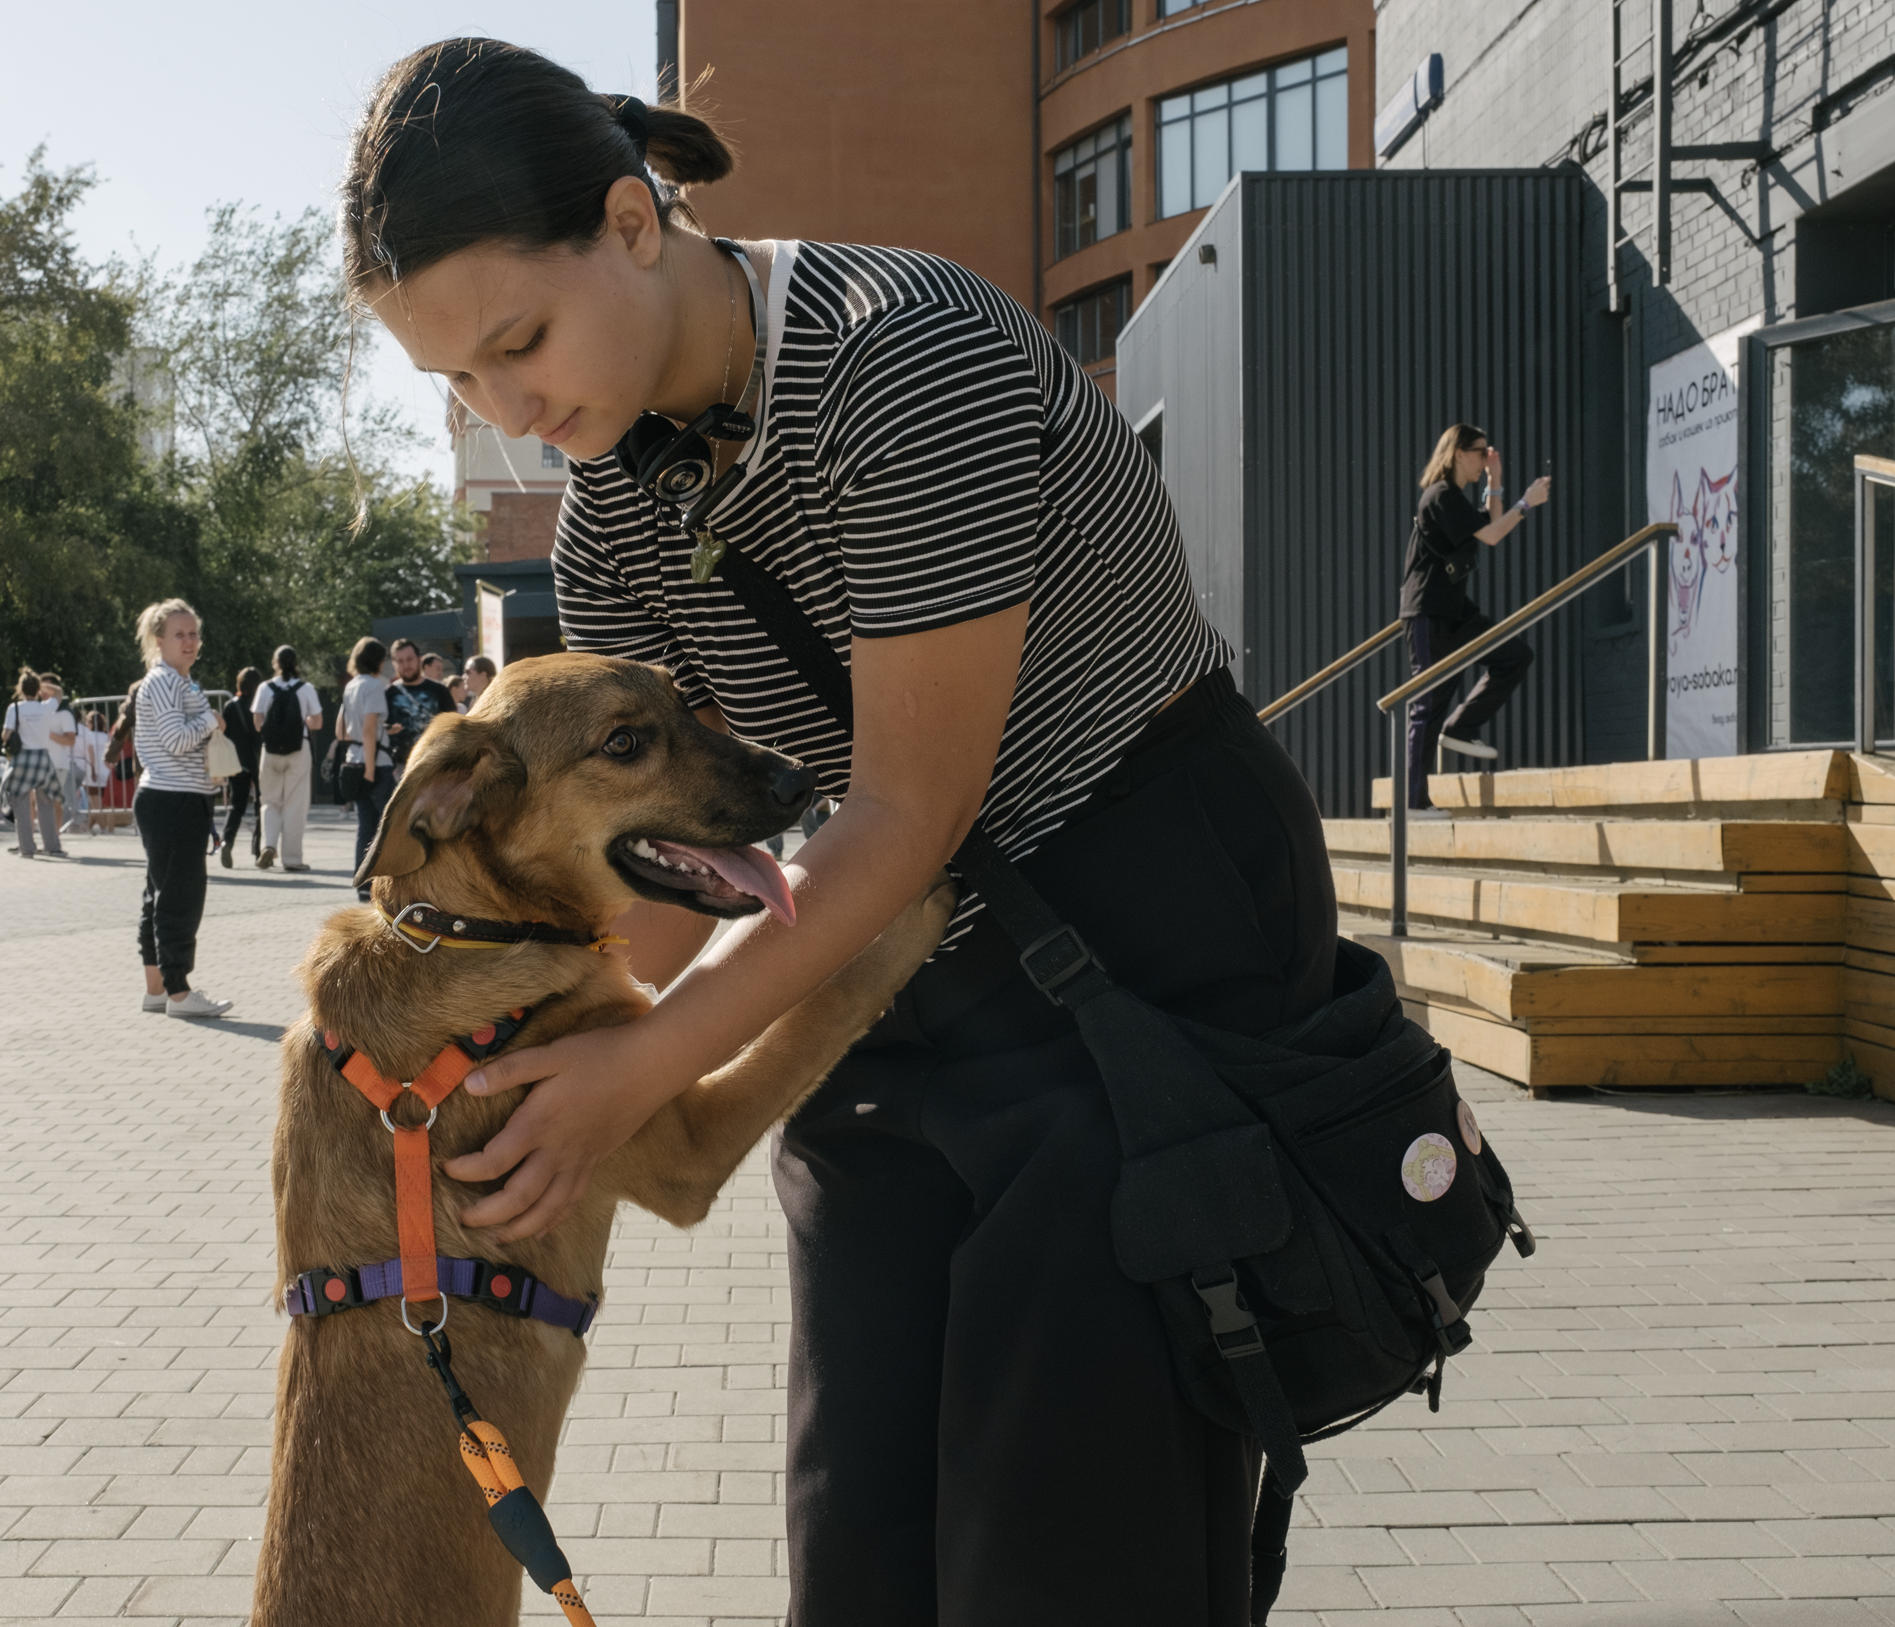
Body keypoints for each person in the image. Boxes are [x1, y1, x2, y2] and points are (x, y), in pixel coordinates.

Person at [342, 45, 1334, 1623]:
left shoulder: (902, 359)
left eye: (518, 341)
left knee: (1071, 1532)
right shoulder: (611, 516)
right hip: (882, 953)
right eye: (457, 381)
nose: (509, 411)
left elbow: (905, 807)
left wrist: (639, 1068)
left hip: (1138, 903)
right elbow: (653, 886)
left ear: (631, 218)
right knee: (856, 1526)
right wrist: (503, 1064)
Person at [1399, 425, 1552, 807]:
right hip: (1428, 612)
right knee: (1426, 705)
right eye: (1480, 453)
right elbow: (1492, 535)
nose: (1486, 458)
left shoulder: (1455, 499)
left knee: (1514, 655)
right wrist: (1526, 503)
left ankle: (1461, 727)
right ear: (1457, 454)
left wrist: (1495, 480)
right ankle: (1413, 804)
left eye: (1488, 453)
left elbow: (1487, 525)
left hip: (1455, 613)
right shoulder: (1440, 496)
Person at [130, 599, 232, 1018]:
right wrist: (212, 721)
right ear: (159, 641)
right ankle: (178, 992)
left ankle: (158, 989)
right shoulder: (166, 682)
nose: (189, 642)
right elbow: (175, 739)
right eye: (179, 634)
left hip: (171, 798)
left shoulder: (177, 682)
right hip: (172, 800)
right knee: (180, 898)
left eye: (193, 634)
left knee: (159, 895)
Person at [249, 645, 320, 873]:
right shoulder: (306, 688)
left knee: (269, 801)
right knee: (295, 804)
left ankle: (268, 845)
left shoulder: (264, 687)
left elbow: (258, 723)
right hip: (299, 750)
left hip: (270, 751)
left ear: (275, 663)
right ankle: (292, 858)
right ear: (296, 663)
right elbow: (317, 723)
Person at [335, 635, 393, 900]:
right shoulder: (374, 686)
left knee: (365, 827)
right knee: (390, 825)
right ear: (377, 661)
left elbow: (343, 730)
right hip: (375, 763)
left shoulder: (351, 687)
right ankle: (388, 886)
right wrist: (371, 769)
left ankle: (362, 885)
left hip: (354, 757)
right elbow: (369, 729)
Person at [1, 668, 72, 857]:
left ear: (21, 689)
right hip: (43, 758)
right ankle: (52, 846)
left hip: (22, 758)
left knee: (22, 805)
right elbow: (59, 692)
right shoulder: (46, 707)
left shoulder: (14, 708)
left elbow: (6, 735)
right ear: (38, 689)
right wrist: (42, 684)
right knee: (46, 803)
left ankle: (27, 848)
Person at [218, 666, 265, 868]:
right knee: (261, 806)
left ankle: (227, 841)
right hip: (259, 761)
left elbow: (224, 736)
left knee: (236, 806)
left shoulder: (230, 706)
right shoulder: (260, 706)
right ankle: (258, 849)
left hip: (237, 763)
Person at [381, 638, 452, 767]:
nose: (406, 665)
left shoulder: (439, 691)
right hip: (398, 767)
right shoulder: (388, 694)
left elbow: (454, 727)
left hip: (433, 765)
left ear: (419, 659)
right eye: (400, 661)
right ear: (394, 664)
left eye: (409, 659)